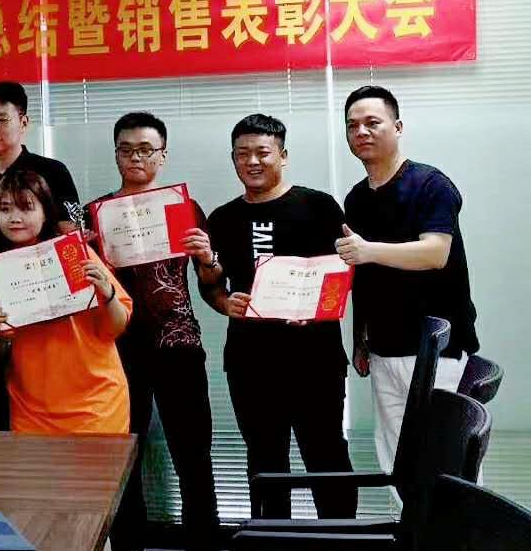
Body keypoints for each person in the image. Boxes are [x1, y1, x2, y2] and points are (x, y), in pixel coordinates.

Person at [0, 168, 131, 551]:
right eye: (5, 209)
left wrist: (106, 291)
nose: (15, 218)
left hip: (96, 404)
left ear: (45, 211)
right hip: (33, 409)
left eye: (25, 207)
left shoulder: (75, 253)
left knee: (89, 523)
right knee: (40, 519)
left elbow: (116, 326)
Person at [202, 115, 355, 527]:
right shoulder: (222, 218)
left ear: (282, 156)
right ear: (233, 159)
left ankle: (343, 542)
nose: (252, 161)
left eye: (262, 152)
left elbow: (345, 272)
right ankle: (271, 543)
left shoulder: (319, 206)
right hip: (250, 361)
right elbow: (211, 285)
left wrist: (317, 310)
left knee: (326, 453)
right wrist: (224, 304)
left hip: (316, 358)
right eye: (242, 154)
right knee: (264, 459)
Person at [98, 113, 221, 551]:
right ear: (116, 154)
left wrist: (208, 259)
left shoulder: (184, 208)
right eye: (126, 149)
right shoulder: (97, 213)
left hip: (178, 343)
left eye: (146, 149)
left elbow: (211, 280)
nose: (136, 157)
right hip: (117, 348)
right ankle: (129, 548)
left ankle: (203, 550)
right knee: (122, 452)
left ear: (162, 155)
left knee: (193, 451)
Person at [338, 86, 480, 474]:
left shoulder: (431, 184)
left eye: (372, 122)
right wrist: (360, 338)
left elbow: (435, 253)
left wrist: (368, 250)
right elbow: (363, 277)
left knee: (447, 462)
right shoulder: (356, 199)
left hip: (437, 349)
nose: (361, 132)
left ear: (397, 127)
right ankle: (408, 518)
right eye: (352, 126)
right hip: (384, 347)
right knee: (397, 460)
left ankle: (457, 519)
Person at [0, 81, 82, 431]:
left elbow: (72, 240)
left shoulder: (52, 172)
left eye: (1, 119)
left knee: (44, 423)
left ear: (23, 122)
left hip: (44, 314)